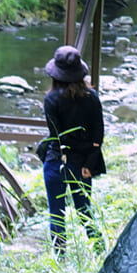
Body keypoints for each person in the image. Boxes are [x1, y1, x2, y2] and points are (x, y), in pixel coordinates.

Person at [40, 45, 106, 258]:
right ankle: (100, 251)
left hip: (57, 161)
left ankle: (60, 259)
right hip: (83, 164)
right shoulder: (92, 97)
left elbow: (56, 135)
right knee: (84, 210)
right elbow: (98, 135)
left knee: (56, 214)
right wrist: (89, 163)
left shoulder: (51, 100)